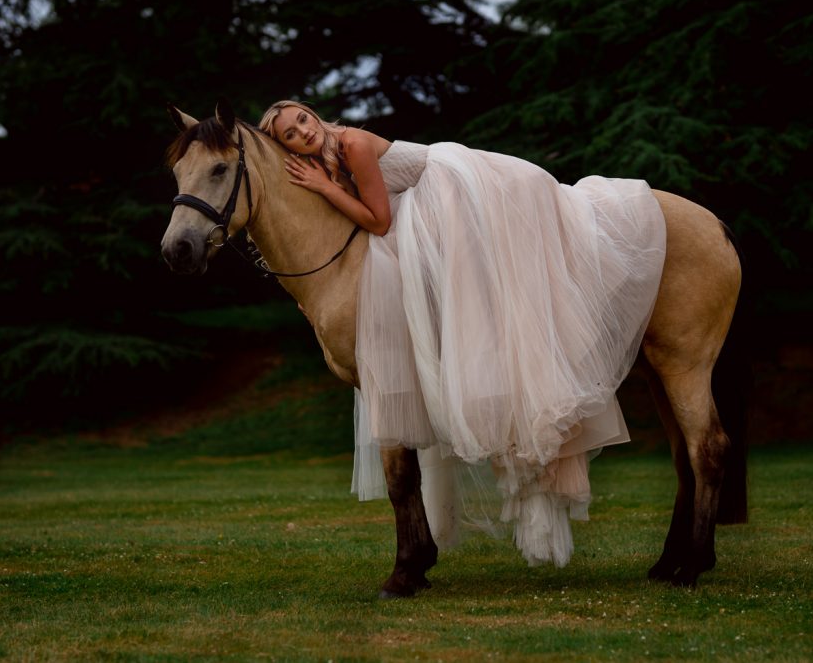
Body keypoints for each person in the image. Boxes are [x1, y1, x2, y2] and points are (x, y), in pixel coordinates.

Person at [259, 100, 666, 567]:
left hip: (451, 188)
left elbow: (378, 221)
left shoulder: (350, 143)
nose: (303, 133)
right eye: (290, 134)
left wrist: (324, 189)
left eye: (303, 120)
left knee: (486, 288)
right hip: (420, 208)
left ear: (314, 115)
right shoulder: (326, 162)